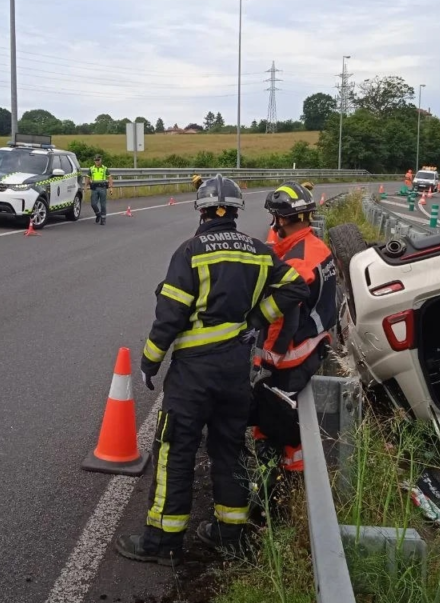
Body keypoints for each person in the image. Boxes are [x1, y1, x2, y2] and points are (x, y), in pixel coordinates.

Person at [115, 174, 309, 566]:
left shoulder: (190, 251)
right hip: (236, 371)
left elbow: (169, 317)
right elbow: (296, 288)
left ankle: (163, 542)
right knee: (229, 449)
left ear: (202, 210)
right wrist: (256, 319)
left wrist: (150, 361)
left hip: (193, 376)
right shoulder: (258, 250)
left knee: (176, 450)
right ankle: (229, 535)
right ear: (236, 210)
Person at [250, 181, 338, 503]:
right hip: (315, 346)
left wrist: (264, 361)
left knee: (270, 422)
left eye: (275, 218)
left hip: (290, 359)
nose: (274, 225)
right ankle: (296, 485)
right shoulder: (318, 248)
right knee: (293, 421)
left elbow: (281, 319)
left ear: (283, 220)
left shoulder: (297, 263)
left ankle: (268, 498)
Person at [87, 154, 112, 224]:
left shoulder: (105, 168)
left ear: (101, 160)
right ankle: (98, 214)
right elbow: (88, 177)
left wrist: (111, 187)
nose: (97, 162)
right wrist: (86, 186)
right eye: (95, 160)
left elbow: (109, 177)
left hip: (102, 188)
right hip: (94, 188)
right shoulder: (91, 168)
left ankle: (103, 219)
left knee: (103, 204)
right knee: (93, 204)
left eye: (98, 160)